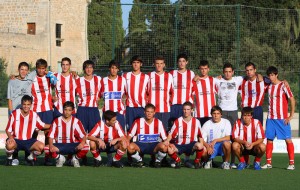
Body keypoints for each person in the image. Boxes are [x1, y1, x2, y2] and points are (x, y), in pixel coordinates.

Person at [262, 66, 296, 170]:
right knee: (269, 140)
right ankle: (268, 163)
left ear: (276, 75)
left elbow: (292, 99)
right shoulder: (268, 86)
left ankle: (291, 164)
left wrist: (291, 115)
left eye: (273, 75)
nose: (271, 77)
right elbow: (258, 76)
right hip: (271, 119)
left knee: (288, 140)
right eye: (269, 75)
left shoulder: (283, 85)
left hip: (282, 119)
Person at [5, 95, 50, 166]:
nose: (26, 106)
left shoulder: (34, 115)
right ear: (22, 104)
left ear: (31, 105)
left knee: (41, 147)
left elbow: (43, 125)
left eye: (28, 104)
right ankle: (9, 158)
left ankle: (30, 158)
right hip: (16, 140)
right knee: (9, 145)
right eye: (24, 104)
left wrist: (54, 125)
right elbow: (7, 129)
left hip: (29, 141)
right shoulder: (14, 113)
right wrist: (10, 138)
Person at [46, 101, 89, 167]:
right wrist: (51, 145)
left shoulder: (76, 121)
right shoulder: (56, 121)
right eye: (65, 109)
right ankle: (60, 158)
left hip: (72, 145)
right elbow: (51, 136)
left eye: (69, 110)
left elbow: (83, 135)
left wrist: (82, 143)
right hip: (59, 146)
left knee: (86, 147)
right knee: (46, 148)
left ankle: (75, 159)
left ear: (72, 111)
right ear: (63, 110)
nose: (67, 112)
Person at [127, 103, 169, 168]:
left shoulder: (158, 122)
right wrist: (126, 141)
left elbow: (164, 137)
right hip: (141, 145)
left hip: (154, 146)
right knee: (130, 147)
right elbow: (130, 134)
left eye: (151, 112)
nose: (149, 114)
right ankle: (140, 161)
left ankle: (157, 161)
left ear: (154, 113)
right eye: (147, 111)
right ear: (144, 112)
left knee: (165, 147)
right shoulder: (138, 121)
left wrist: (167, 142)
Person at [165, 101, 204, 169]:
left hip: (191, 145)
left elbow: (200, 136)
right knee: (169, 149)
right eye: (184, 109)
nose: (186, 111)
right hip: (179, 145)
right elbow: (171, 134)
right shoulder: (178, 121)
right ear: (182, 110)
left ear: (192, 110)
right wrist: (167, 141)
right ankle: (178, 161)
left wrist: (202, 147)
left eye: (188, 109)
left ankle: (197, 161)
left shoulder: (196, 121)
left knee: (200, 145)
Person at [147, 56, 173, 131]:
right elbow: (145, 92)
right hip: (152, 110)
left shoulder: (169, 76)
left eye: (161, 63)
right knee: (152, 130)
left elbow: (172, 92)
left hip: (165, 109)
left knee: (164, 131)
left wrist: (168, 103)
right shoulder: (149, 76)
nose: (159, 65)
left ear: (164, 65)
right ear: (154, 64)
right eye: (157, 63)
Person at [123, 55, 149, 131]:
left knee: (142, 129)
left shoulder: (146, 77)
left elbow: (148, 92)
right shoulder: (126, 76)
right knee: (130, 129)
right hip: (130, 108)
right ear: (131, 64)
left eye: (138, 62)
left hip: (142, 107)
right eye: (134, 62)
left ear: (141, 64)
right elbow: (123, 91)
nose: (135, 64)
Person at [75, 60, 102, 133]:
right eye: (87, 67)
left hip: (94, 110)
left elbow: (103, 90)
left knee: (95, 134)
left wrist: (99, 97)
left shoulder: (98, 79)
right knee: (81, 134)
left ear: (93, 69)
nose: (89, 69)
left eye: (91, 67)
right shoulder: (78, 81)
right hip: (82, 110)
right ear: (84, 69)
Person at [169, 53, 195, 127]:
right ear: (177, 62)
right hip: (174, 104)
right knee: (173, 126)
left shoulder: (191, 73)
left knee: (186, 126)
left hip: (186, 105)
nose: (181, 63)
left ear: (187, 62)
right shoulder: (172, 73)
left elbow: (194, 86)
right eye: (180, 61)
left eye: (183, 61)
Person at [100, 60, 127, 130]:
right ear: (109, 68)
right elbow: (99, 94)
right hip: (107, 112)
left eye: (116, 68)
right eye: (112, 68)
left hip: (119, 112)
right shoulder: (103, 80)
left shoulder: (123, 80)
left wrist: (123, 102)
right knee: (105, 134)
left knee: (121, 134)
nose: (114, 70)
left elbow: (127, 94)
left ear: (118, 69)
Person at [192, 60, 218, 126]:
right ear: (199, 69)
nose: (203, 71)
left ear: (208, 69)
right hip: (199, 113)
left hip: (211, 114)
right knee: (200, 134)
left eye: (205, 69)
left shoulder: (213, 80)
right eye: (202, 69)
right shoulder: (195, 81)